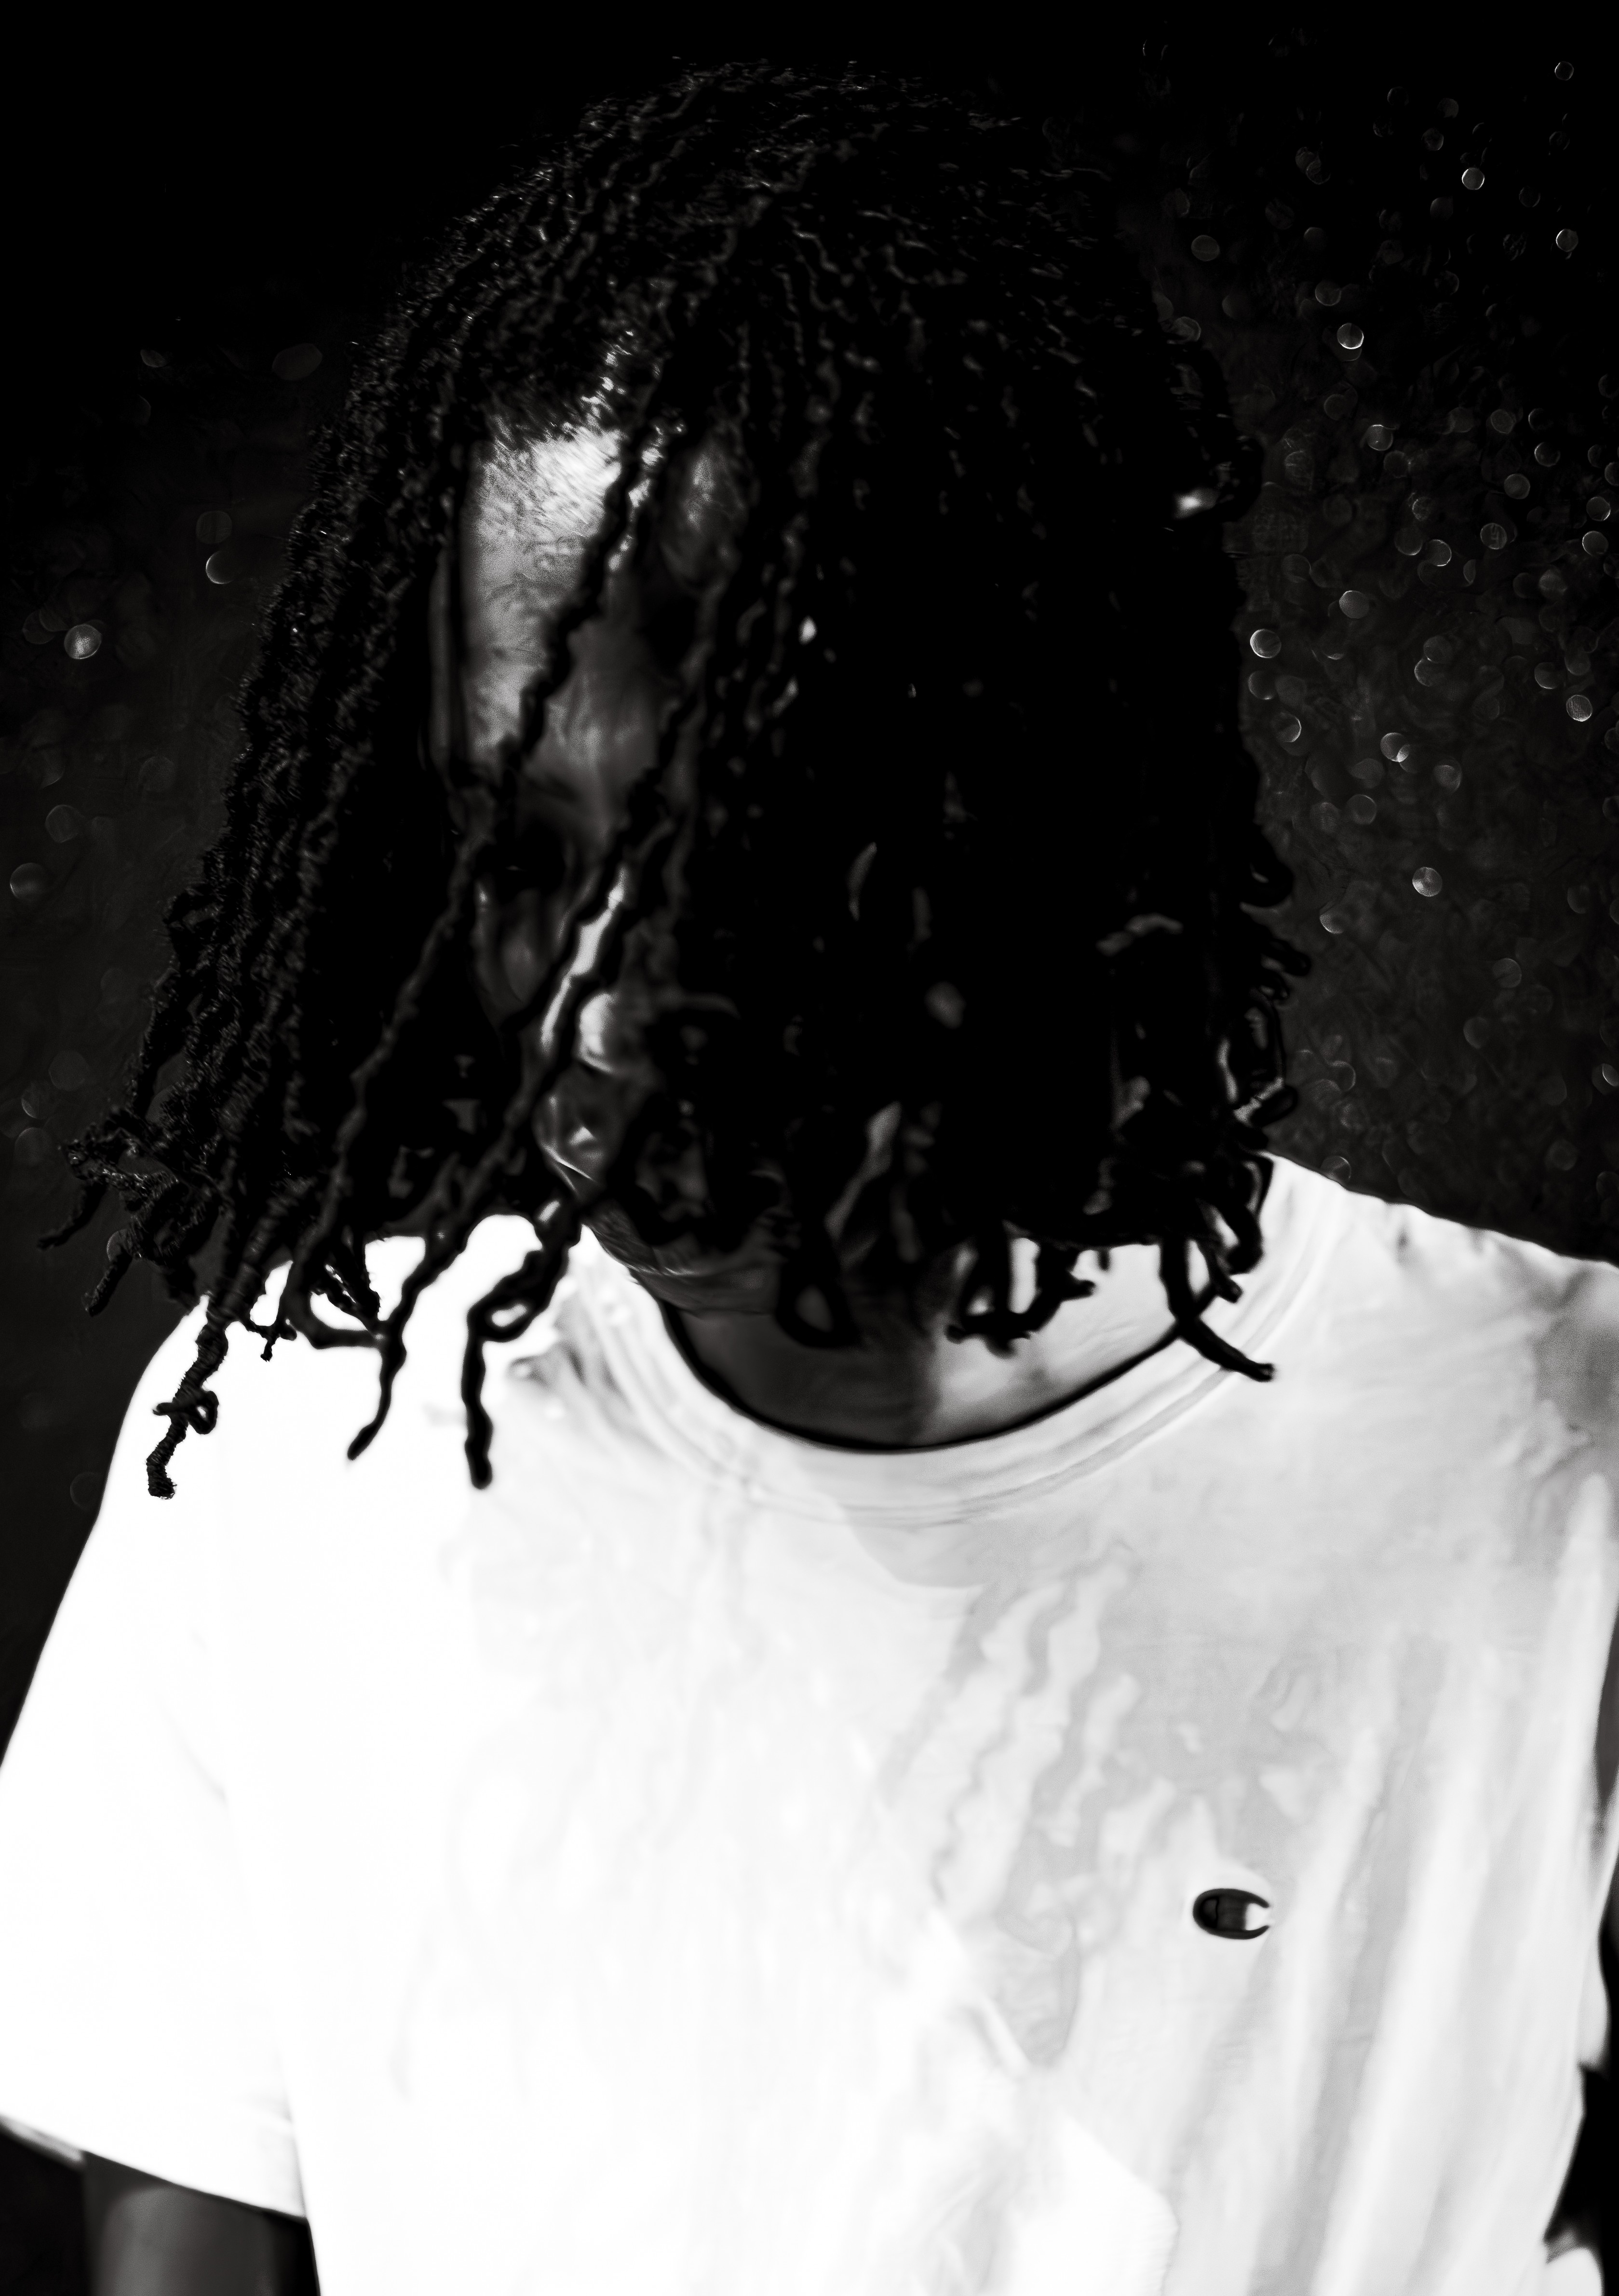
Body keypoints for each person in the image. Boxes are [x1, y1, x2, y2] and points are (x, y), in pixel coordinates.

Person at [0, 62, 1613, 2296]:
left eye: (732, 855)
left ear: (1023, 788)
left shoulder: (1558, 1477)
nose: (602, 1015)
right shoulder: (287, 1472)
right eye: (522, 855)